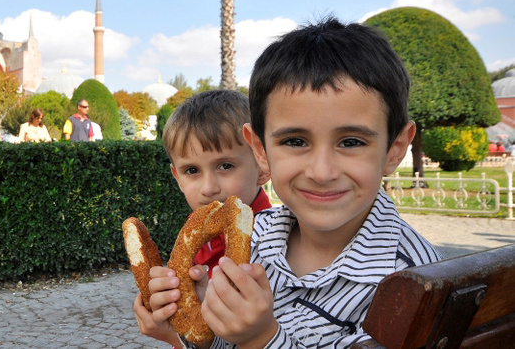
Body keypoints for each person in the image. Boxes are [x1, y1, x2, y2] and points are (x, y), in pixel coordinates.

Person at [148, 18, 442, 349]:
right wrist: (203, 324)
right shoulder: (255, 236)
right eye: (295, 141)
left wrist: (262, 338)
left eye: (351, 142)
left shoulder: (412, 281)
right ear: (260, 149)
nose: (321, 171)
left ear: (394, 149)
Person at [133, 90, 272, 348]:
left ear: (262, 165)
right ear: (177, 178)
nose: (208, 188)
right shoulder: (195, 231)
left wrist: (173, 337)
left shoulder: (278, 242)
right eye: (192, 171)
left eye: (225, 166)